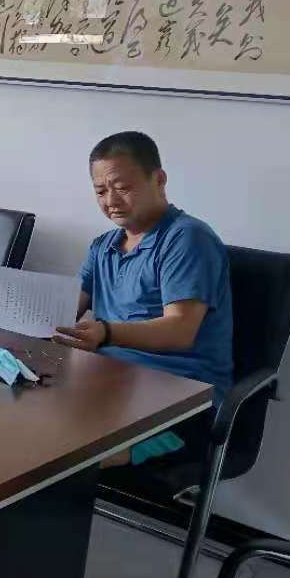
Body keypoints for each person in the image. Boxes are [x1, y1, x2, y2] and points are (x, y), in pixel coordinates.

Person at [55, 131, 233, 466]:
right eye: (100, 191)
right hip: (109, 383)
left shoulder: (188, 239)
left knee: (60, 462)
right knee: (22, 428)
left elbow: (180, 330)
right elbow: (64, 310)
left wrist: (106, 332)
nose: (111, 200)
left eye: (122, 187)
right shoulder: (103, 246)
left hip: (179, 399)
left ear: (159, 179)